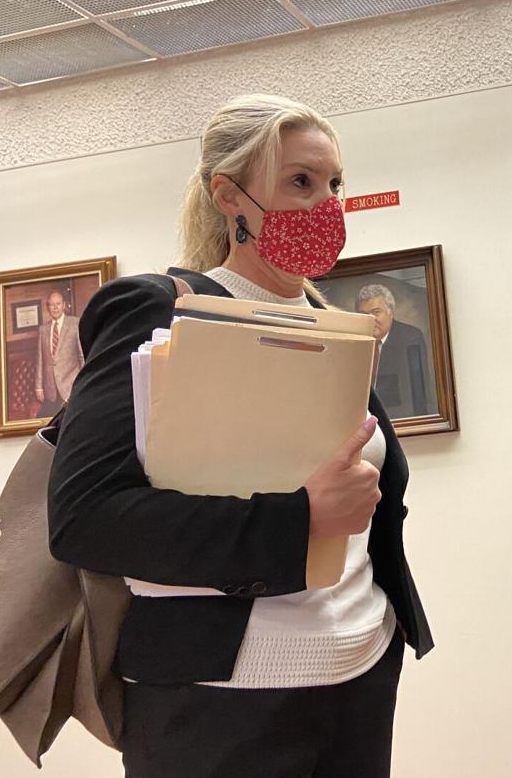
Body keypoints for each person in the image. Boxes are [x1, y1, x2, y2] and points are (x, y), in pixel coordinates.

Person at [47, 94, 432, 777]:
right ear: (229, 195)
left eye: (334, 183)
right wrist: (300, 519)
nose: (325, 205)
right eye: (300, 182)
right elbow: (87, 519)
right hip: (220, 700)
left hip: (362, 671)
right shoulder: (160, 313)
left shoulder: (329, 322)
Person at [357, 283, 435, 418]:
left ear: (391, 312)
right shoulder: (354, 340)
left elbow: (418, 394)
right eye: (364, 314)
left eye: (376, 312)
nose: (371, 319)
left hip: (400, 418)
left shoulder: (410, 337)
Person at [34, 290, 82, 418]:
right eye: (51, 304)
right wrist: (38, 387)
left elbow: (81, 356)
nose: (55, 307)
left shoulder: (75, 324)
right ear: (48, 307)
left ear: (64, 305)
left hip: (70, 386)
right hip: (51, 390)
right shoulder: (43, 330)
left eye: (58, 304)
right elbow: (40, 361)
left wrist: (83, 381)